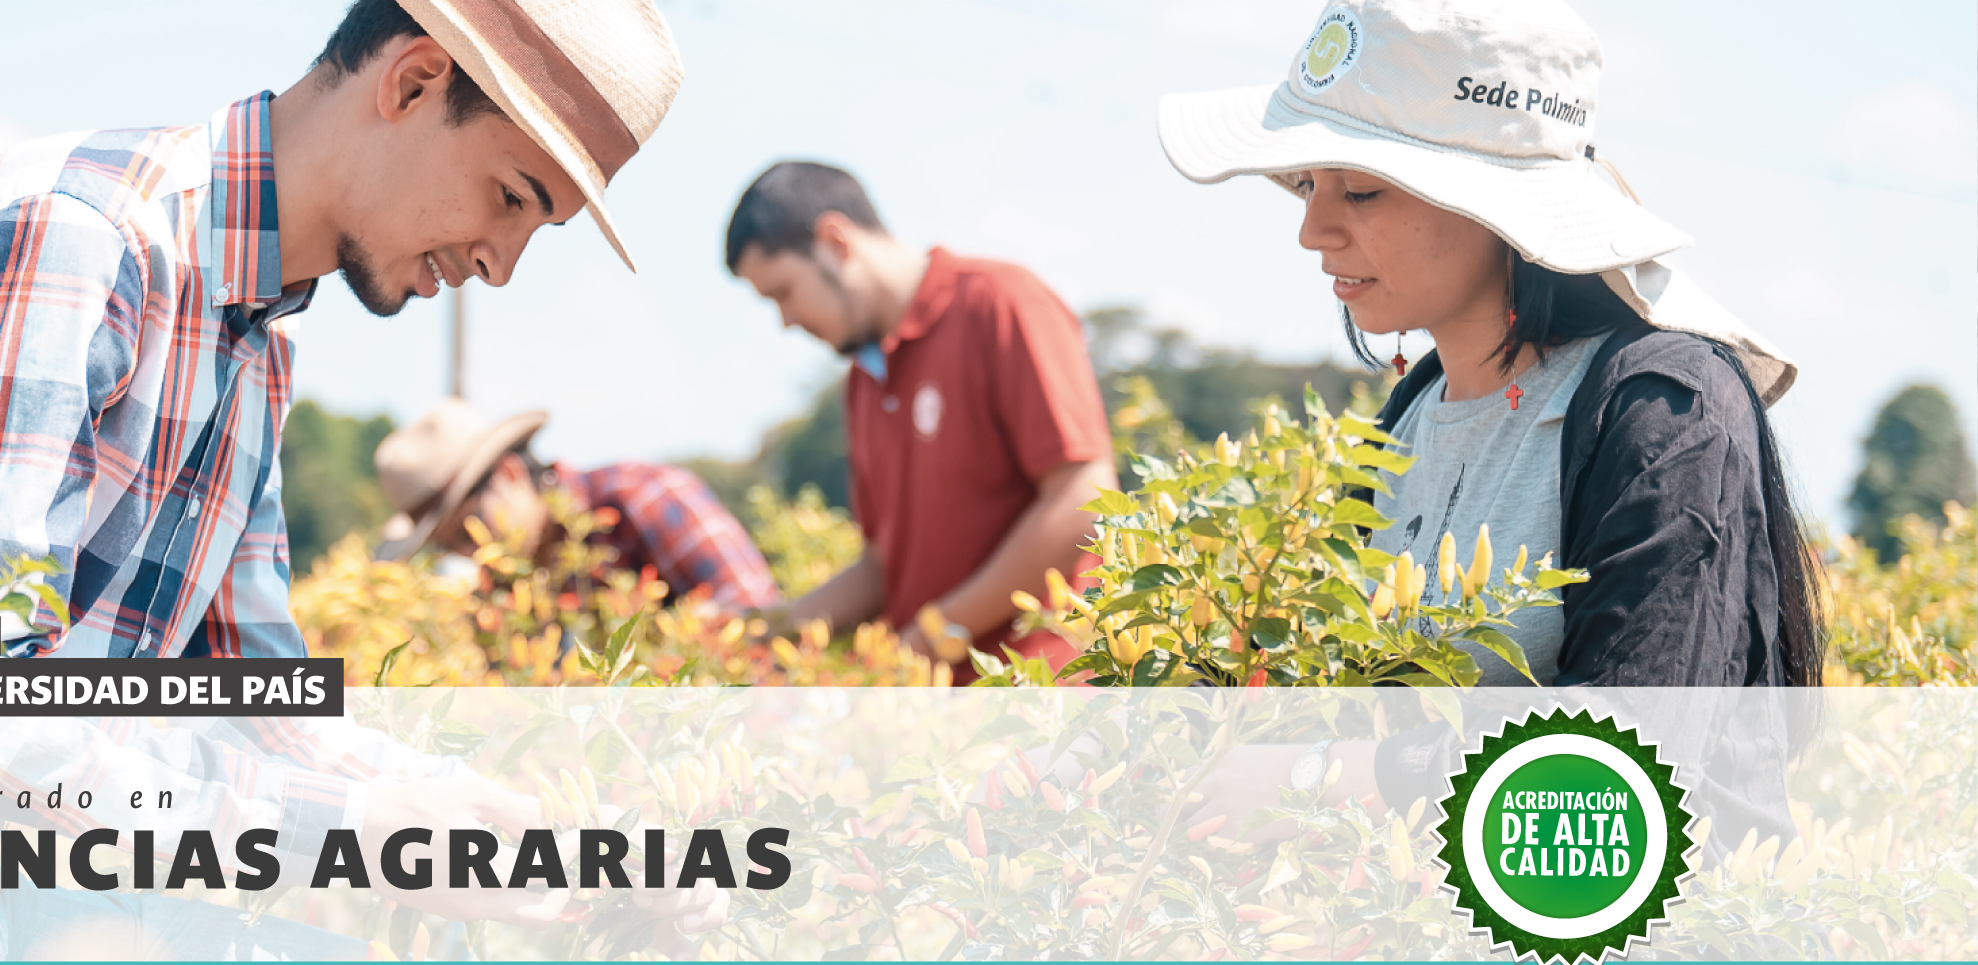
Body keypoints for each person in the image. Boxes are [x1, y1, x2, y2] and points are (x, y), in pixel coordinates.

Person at [0, 0, 686, 659]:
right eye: (510, 197)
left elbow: (257, 701)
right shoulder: (80, 242)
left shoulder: (258, 341)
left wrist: (508, 830)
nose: (501, 265)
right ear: (414, 82)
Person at [1155, 0, 1819, 848]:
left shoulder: (1664, 411)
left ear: (1497, 208)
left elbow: (1626, 757)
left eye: (1360, 189)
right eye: (1307, 184)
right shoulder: (1414, 412)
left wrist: (1322, 779)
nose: (1312, 230)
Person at [724, 163, 1115, 681]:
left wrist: (934, 634)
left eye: (783, 292)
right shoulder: (865, 382)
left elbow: (1082, 497)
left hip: (1046, 696)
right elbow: (885, 568)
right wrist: (766, 629)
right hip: (943, 718)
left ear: (835, 241)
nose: (786, 320)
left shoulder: (998, 302)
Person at [374, 399, 782, 614]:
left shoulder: (642, 497)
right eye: (451, 548)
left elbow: (759, 615)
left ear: (511, 475)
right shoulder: (508, 587)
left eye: (469, 530)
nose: (473, 554)